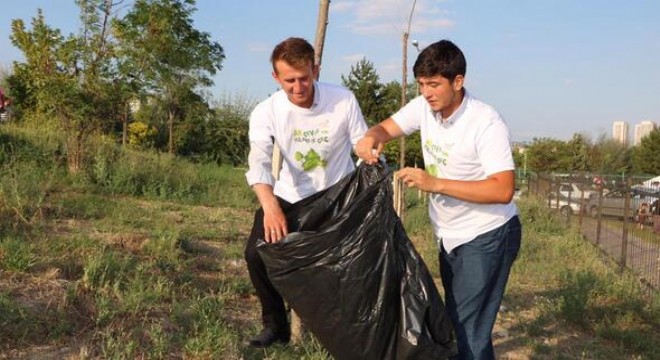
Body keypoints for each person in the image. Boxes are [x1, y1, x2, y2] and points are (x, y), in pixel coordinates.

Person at [356, 39, 521, 359]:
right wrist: (370, 138)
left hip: (487, 234)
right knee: (464, 325)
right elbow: (385, 129)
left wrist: (435, 183)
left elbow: (502, 189)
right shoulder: (424, 108)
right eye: (421, 84)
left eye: (434, 84)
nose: (426, 92)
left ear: (458, 81)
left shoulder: (485, 122)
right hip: (450, 235)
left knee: (466, 329)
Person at [244, 37, 368, 348]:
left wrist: (370, 151)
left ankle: (345, 332)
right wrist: (271, 207)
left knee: (347, 263)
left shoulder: (343, 99)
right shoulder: (266, 111)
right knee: (256, 252)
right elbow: (258, 160)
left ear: (315, 69)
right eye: (289, 81)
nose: (298, 87)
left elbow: (361, 142)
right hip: (292, 195)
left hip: (339, 195)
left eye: (304, 78)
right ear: (276, 77)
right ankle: (276, 325)